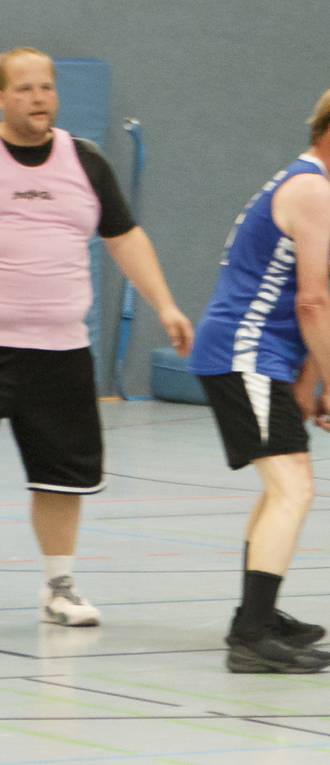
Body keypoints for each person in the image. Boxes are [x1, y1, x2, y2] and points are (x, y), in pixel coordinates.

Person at [190, 84, 330, 672]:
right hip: (242, 352)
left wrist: (303, 377)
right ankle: (251, 637)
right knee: (292, 489)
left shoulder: (311, 188)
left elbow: (297, 295)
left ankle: (255, 613)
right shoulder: (311, 190)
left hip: (259, 356)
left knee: (284, 485)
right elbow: (311, 302)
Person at [0, 46, 193, 627]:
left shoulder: (85, 162)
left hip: (60, 353)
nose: (39, 99)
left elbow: (125, 238)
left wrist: (165, 304)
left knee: (61, 478)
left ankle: (59, 586)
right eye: (25, 89)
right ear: (2, 97)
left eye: (47, 88)